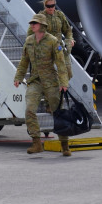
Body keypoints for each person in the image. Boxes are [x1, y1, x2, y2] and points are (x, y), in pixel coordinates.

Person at [13, 13, 71, 156]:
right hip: (35, 81)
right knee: (29, 110)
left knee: (57, 112)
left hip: (51, 81)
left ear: (43, 26)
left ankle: (65, 145)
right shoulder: (29, 41)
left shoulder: (52, 41)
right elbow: (24, 61)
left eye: (35, 23)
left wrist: (64, 82)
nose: (32, 25)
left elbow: (60, 63)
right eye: (32, 23)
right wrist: (18, 77)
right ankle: (36, 143)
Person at [42, 0, 74, 80]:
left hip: (60, 47)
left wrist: (70, 39)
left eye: (52, 6)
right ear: (44, 5)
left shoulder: (59, 15)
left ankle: (60, 89)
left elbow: (67, 30)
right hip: (47, 48)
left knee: (68, 72)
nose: (51, 8)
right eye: (48, 6)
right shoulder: (41, 17)